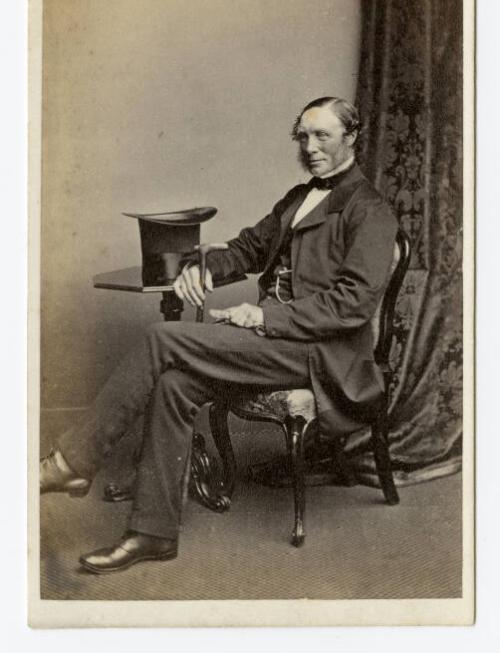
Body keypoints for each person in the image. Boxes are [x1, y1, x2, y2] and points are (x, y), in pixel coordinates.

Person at [40, 96, 398, 574]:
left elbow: (352, 304)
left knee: (162, 337)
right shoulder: (297, 198)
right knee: (173, 384)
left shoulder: (371, 210)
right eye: (303, 136)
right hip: (277, 345)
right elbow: (247, 248)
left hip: (321, 355)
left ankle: (71, 463)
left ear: (351, 138)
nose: (310, 147)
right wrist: (201, 268)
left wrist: (262, 319)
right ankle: (152, 532)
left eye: (323, 136)